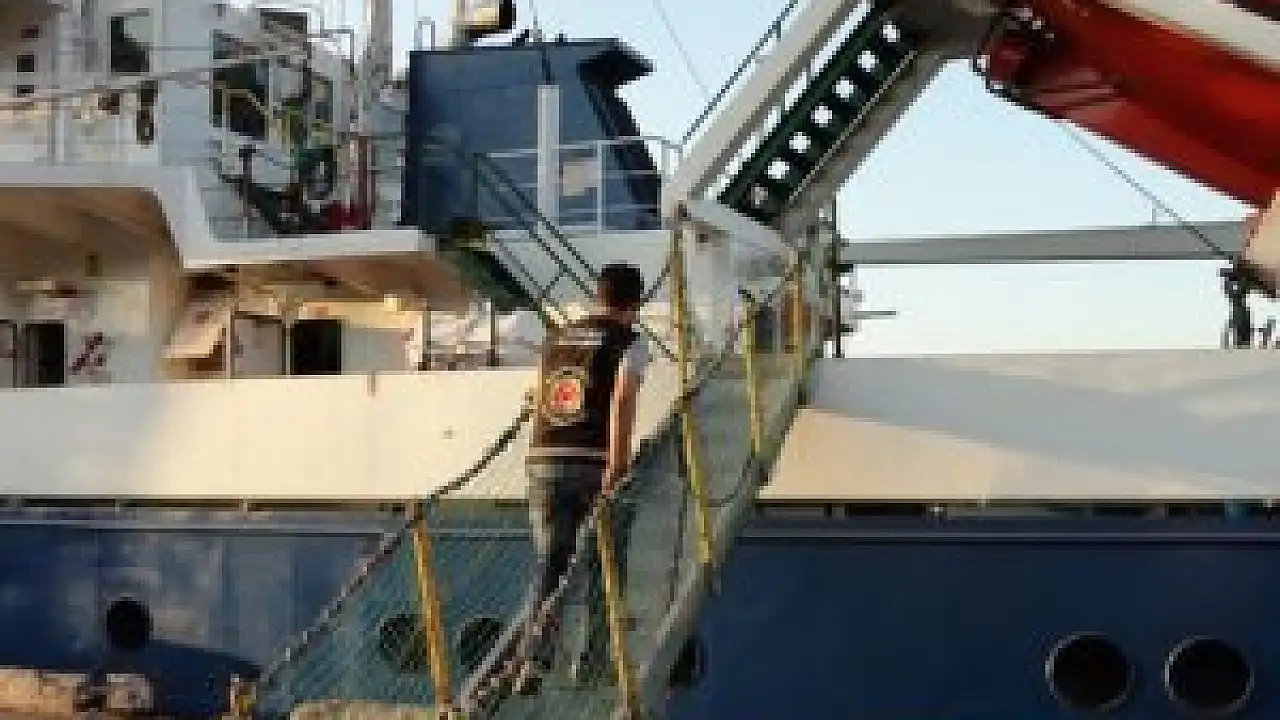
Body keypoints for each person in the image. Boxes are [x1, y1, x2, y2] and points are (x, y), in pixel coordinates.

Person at [515, 262, 650, 694]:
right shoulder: (629, 342)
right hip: (592, 463)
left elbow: (540, 394)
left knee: (550, 564)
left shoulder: (557, 337)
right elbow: (623, 398)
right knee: (606, 562)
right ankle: (593, 661)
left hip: (543, 460)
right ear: (635, 304)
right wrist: (618, 463)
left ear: (598, 296)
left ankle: (533, 660)